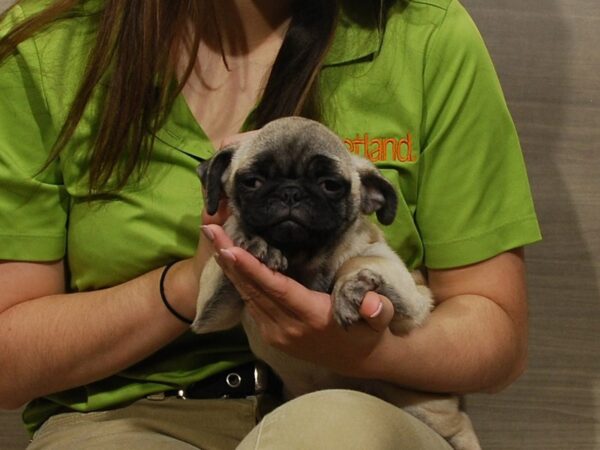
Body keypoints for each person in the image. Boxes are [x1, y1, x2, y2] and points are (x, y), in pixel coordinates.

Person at [0, 0, 541, 448]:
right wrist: (194, 283)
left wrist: (362, 350)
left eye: (326, 185)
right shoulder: (53, 47)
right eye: (259, 183)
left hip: (366, 399)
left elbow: (497, 336)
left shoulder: (424, 35)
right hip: (132, 417)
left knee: (332, 434)